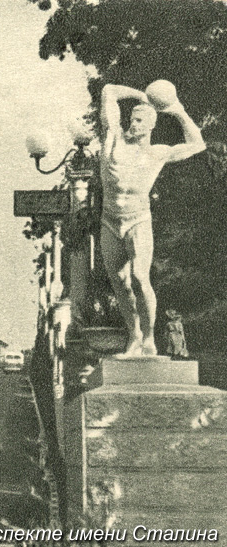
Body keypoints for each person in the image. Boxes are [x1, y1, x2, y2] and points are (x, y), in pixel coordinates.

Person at [99, 82, 205, 356]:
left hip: (138, 219)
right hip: (110, 221)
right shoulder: (113, 139)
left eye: (138, 120)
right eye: (131, 119)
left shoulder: (157, 153)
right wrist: (141, 95)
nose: (131, 124)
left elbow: (197, 144)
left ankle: (148, 339)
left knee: (138, 276)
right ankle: (134, 335)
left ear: (150, 126)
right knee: (119, 283)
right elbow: (109, 91)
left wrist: (177, 109)